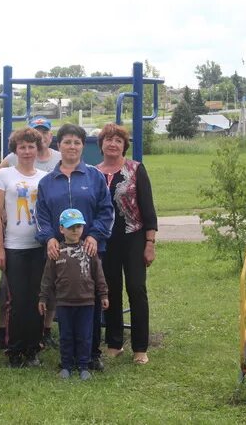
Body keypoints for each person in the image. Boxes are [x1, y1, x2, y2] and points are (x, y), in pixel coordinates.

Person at [35, 123, 114, 372]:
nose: (72, 146)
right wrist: (49, 238)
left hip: (89, 252)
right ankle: (68, 358)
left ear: (83, 146)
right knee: (66, 304)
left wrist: (94, 235)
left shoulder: (94, 177)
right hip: (59, 253)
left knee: (89, 303)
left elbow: (106, 210)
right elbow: (42, 215)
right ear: (59, 145)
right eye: (67, 142)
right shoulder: (48, 181)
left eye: (77, 142)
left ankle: (92, 354)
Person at [0, 117, 61, 353]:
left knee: (37, 297)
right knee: (16, 299)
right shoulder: (4, 175)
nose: (27, 151)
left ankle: (33, 345)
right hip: (14, 245)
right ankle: (15, 347)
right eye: (22, 147)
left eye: (31, 146)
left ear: (37, 148)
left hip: (38, 245)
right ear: (15, 150)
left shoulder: (44, 177)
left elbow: (50, 212)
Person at [96, 123, 157, 365]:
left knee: (136, 289)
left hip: (134, 237)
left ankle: (140, 347)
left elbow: (148, 208)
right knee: (109, 291)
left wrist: (150, 242)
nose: (112, 144)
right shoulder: (93, 172)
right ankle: (114, 342)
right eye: (108, 139)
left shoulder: (136, 169)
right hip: (105, 240)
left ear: (124, 145)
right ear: (101, 144)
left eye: (118, 141)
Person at [39, 208, 109, 380]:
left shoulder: (89, 250)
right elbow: (48, 277)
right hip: (64, 303)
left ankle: (84, 365)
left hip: (87, 302)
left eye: (78, 226)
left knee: (85, 335)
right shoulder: (56, 252)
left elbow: (98, 274)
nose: (75, 230)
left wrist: (104, 294)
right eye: (71, 227)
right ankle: (67, 365)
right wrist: (43, 297)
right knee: (66, 336)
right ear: (61, 229)